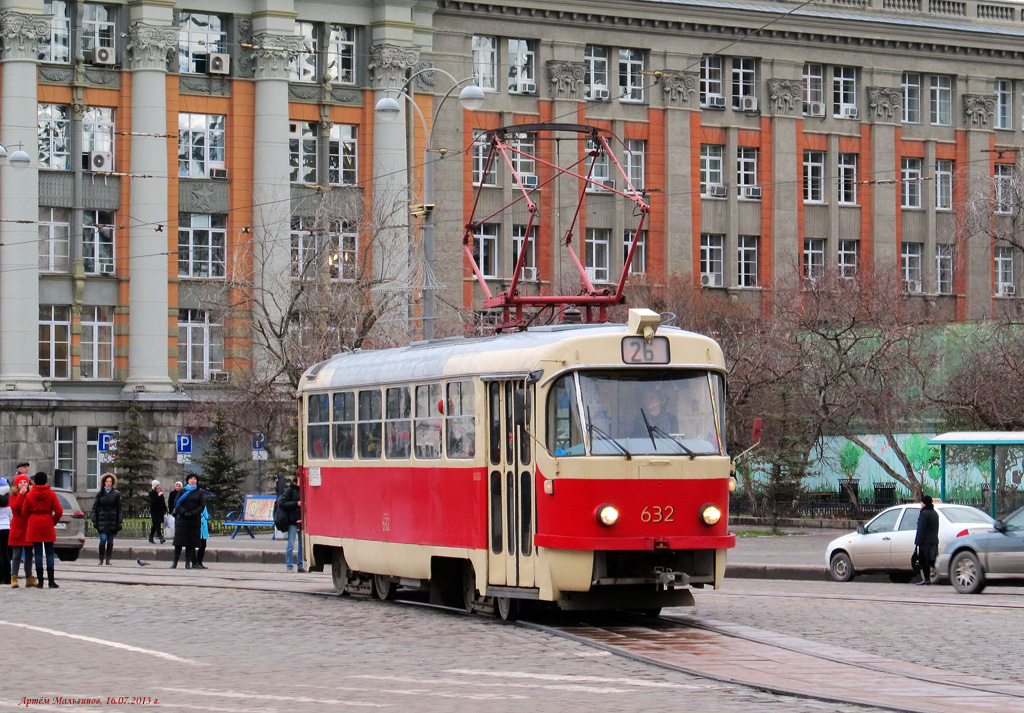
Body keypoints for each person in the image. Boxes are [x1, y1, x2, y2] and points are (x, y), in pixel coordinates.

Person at [23, 472, 63, 589]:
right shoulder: (51, 494)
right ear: (46, 481)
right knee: (50, 552)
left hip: (34, 524)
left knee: (38, 552)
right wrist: (53, 521)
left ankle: (40, 581)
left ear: (34, 481)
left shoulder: (29, 495)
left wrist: (31, 518)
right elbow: (59, 511)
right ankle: (51, 581)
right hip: (47, 523)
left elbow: (24, 511)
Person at [170, 474, 206, 570]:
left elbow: (202, 505)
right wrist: (184, 512)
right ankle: (175, 562)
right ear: (187, 480)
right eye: (191, 479)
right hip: (182, 520)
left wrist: (193, 513)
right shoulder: (182, 491)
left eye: (195, 479)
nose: (193, 480)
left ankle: (187, 563)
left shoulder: (199, 492)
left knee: (190, 543)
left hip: (194, 520)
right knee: (178, 542)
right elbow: (177, 503)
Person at [90, 473, 123, 565]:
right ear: (104, 483)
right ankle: (101, 558)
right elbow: (94, 508)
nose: (108, 483)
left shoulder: (116, 494)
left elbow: (119, 509)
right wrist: (94, 520)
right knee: (103, 539)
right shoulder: (100, 494)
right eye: (107, 481)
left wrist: (119, 522)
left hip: (112, 521)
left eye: (110, 482)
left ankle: (108, 559)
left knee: (110, 540)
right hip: (102, 521)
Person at [8, 472, 32, 587]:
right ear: (17, 485)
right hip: (17, 528)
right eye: (21, 482)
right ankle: (14, 577)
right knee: (16, 555)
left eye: (25, 482)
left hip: (28, 528)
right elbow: (16, 508)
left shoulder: (30, 495)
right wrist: (21, 494)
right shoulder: (13, 496)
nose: (23, 484)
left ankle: (29, 577)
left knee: (29, 555)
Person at [277, 477, 304, 573]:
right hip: (292, 521)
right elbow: (282, 503)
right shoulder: (290, 490)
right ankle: (289, 566)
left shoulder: (303, 490)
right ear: (298, 478)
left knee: (302, 545)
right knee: (291, 544)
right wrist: (296, 504)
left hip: (301, 521)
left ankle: (300, 566)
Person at [915, 494, 940, 585]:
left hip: (925, 541)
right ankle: (936, 575)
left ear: (924, 503)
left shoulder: (924, 513)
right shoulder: (935, 513)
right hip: (934, 540)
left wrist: (918, 541)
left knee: (924, 561)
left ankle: (927, 579)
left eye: (922, 502)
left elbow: (921, 528)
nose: (921, 504)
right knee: (932, 560)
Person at [148, 480, 167, 544]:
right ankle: (160, 537)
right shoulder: (152, 493)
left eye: (159, 485)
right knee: (157, 523)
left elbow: (162, 501)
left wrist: (165, 509)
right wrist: (158, 496)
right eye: (157, 485)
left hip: (160, 511)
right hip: (155, 511)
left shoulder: (160, 492)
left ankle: (151, 537)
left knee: (155, 524)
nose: (159, 486)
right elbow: (153, 502)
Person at [0, 477, 11, 585]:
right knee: (5, 552)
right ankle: (8, 577)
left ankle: (1, 577)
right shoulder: (8, 499)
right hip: (7, 527)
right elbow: (11, 516)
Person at [195, 505, 210, 569]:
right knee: (193, 546)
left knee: (203, 545)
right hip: (196, 527)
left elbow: (206, 515)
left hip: (203, 527)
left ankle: (199, 562)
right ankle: (195, 562)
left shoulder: (203, 505)